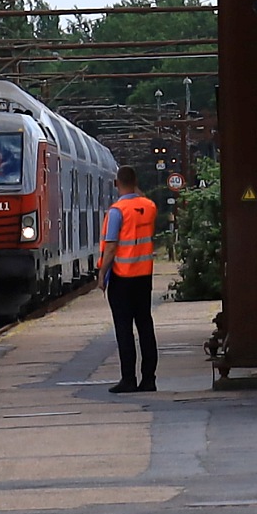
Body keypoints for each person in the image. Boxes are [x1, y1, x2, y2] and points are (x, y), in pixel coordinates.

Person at [98, 165, 159, 394]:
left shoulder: (117, 211)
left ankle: (128, 379)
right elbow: (141, 199)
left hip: (122, 278)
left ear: (116, 184)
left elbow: (111, 247)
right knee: (145, 325)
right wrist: (135, 188)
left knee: (124, 329)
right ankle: (149, 379)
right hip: (144, 275)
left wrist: (102, 273)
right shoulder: (149, 206)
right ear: (136, 181)